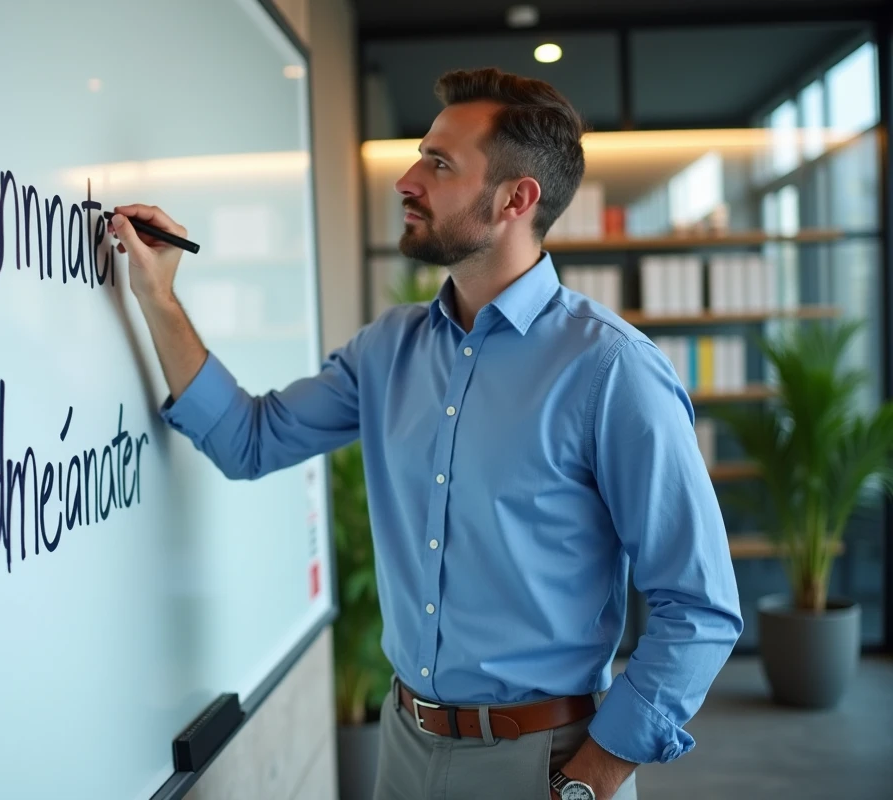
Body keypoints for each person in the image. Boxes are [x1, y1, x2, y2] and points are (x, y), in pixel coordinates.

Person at [108, 66, 743, 800]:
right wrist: (158, 298)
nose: (407, 180)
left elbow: (698, 605)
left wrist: (594, 775)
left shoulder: (610, 370)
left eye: (439, 164)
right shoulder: (387, 351)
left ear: (516, 199)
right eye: (420, 156)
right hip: (404, 750)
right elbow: (250, 439)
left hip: (547, 763)